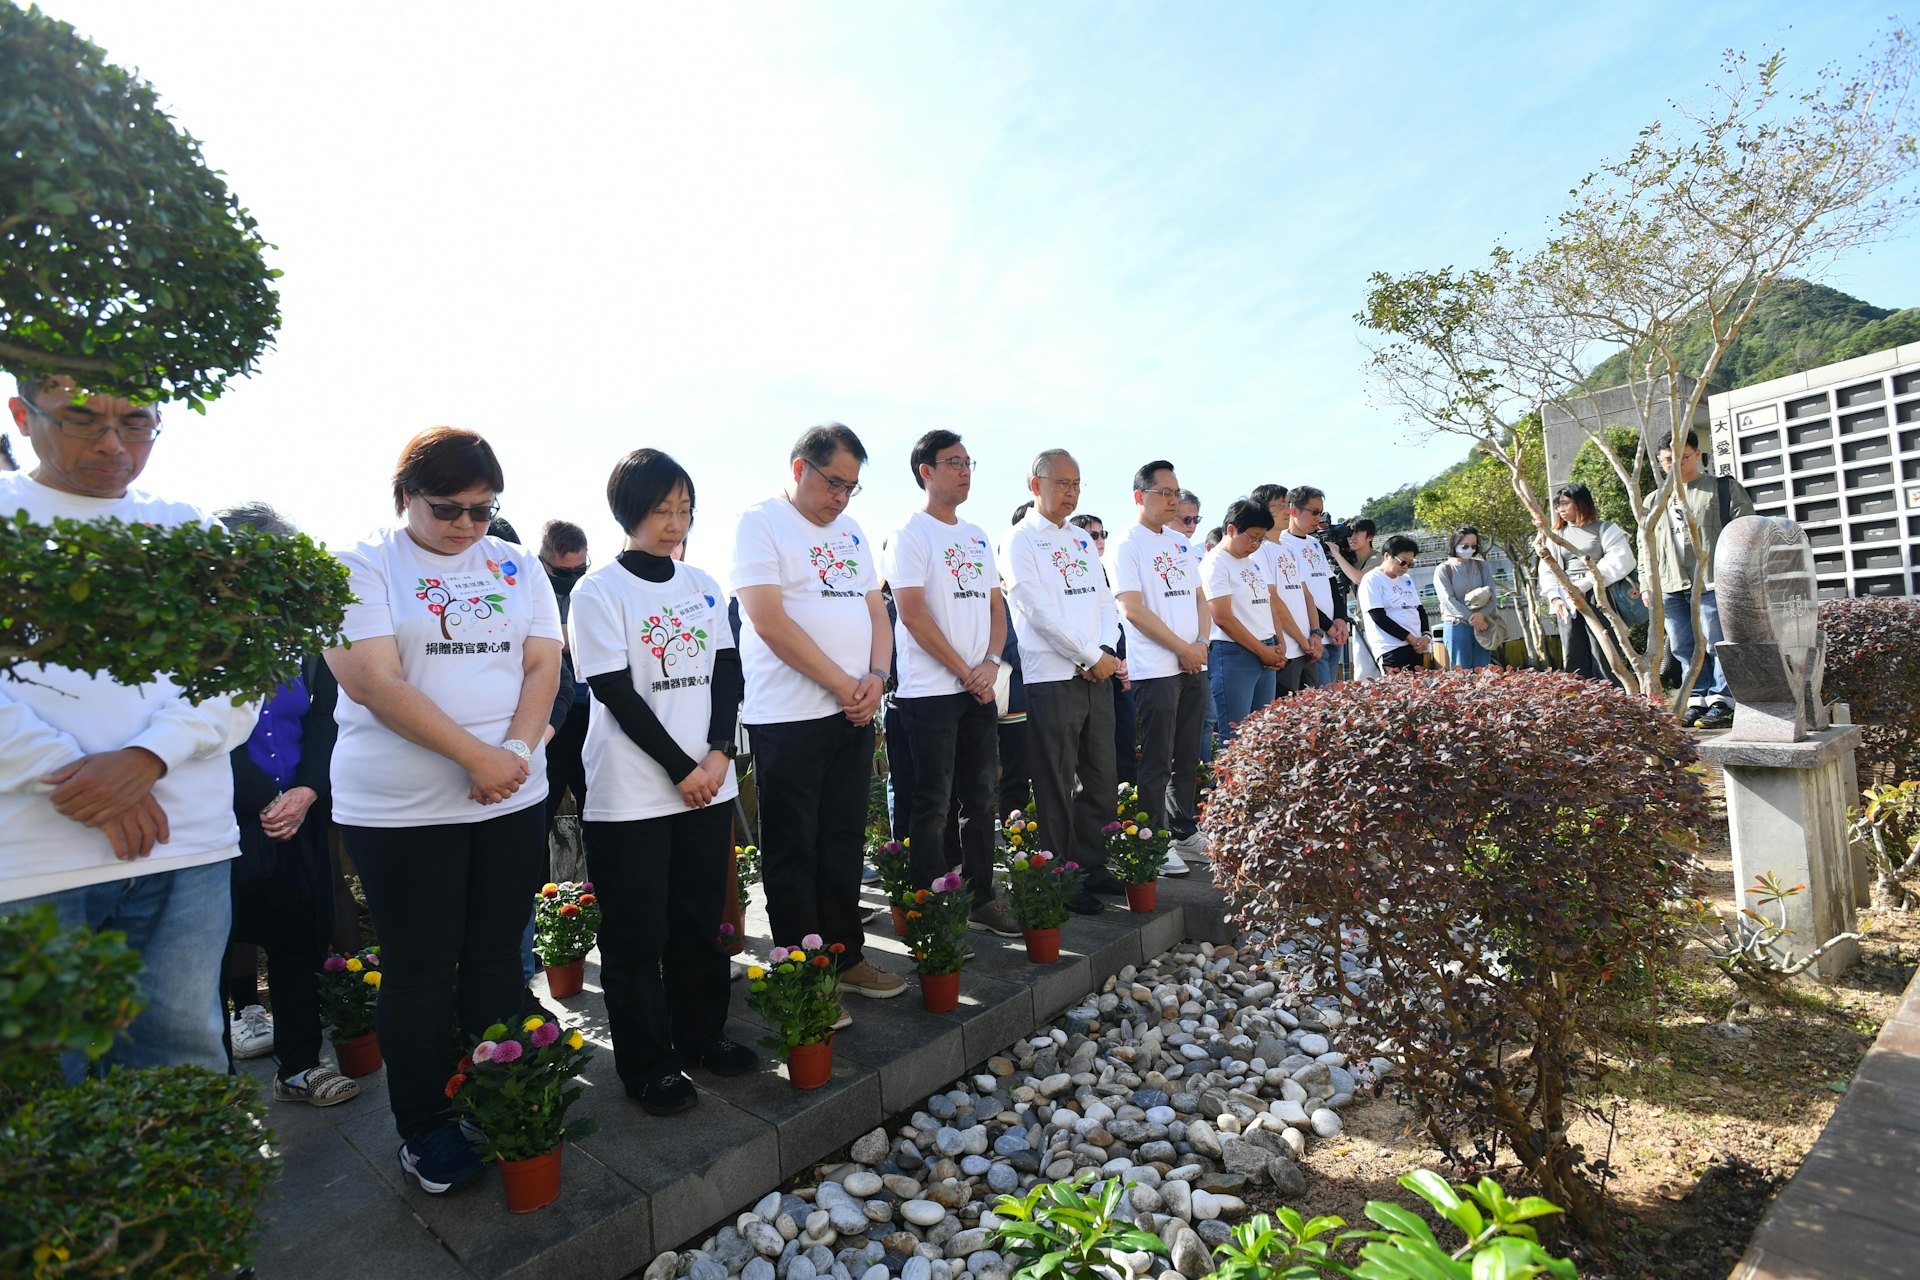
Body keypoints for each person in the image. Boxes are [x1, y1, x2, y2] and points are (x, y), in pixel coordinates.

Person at [325, 426, 564, 1195]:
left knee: (497, 957)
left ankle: (501, 1095)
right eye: (447, 510)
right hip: (403, 810)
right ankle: (424, 1126)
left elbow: (541, 664)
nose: (466, 526)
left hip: (509, 798)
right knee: (420, 972)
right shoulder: (362, 564)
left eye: (483, 510)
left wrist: (516, 758)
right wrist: (476, 757)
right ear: (405, 498)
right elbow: (373, 681)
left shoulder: (514, 563)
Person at [1, 374, 259, 1078]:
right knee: (45, 1093)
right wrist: (79, 774)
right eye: (82, 420)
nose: (113, 444)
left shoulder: (190, 531)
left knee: (185, 1067)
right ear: (24, 414)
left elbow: (242, 674)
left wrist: (147, 757)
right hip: (29, 861)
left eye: (136, 423)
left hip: (186, 849)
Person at [568, 448, 756, 1116]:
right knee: (635, 936)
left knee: (700, 922)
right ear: (630, 511)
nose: (674, 523)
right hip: (632, 792)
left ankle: (702, 1037)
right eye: (661, 509)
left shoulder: (703, 584)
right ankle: (648, 1065)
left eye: (684, 509)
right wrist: (682, 769)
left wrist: (716, 756)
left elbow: (727, 674)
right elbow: (614, 689)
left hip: (709, 782)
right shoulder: (599, 591)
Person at [731, 424, 906, 1002]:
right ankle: (804, 977)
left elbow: (877, 612)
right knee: (792, 850)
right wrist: (843, 685)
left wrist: (876, 679)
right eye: (834, 483)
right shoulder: (761, 522)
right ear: (800, 468)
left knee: (842, 840)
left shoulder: (852, 532)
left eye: (852, 488)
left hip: (853, 713)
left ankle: (846, 956)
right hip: (788, 717)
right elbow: (768, 620)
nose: (841, 498)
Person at [217, 502, 357, 1107]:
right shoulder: (203, 642)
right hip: (225, 817)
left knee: (301, 939)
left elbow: (327, 722)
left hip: (301, 811)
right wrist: (266, 799)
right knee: (216, 948)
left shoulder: (306, 642)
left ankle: (299, 1066)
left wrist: (302, 792)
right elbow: (205, 736)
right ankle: (213, 1094)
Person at [880, 431, 1020, 936]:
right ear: (926, 471)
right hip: (930, 693)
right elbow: (912, 615)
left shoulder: (977, 535)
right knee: (931, 804)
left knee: (981, 796)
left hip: (977, 687)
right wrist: (966, 672)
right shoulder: (910, 534)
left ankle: (983, 895)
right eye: (953, 462)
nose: (964, 471)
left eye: (968, 462)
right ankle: (930, 909)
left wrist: (989, 663)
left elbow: (994, 607)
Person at [1000, 449, 1127, 914]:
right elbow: (1035, 609)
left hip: (1097, 672)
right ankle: (1059, 873)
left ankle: (1091, 865)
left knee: (1100, 775)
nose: (1070, 492)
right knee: (1054, 780)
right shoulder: (1019, 540)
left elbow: (1104, 600)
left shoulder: (1080, 540)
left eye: (1077, 484)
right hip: (1052, 675)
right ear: (1036, 485)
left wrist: (1106, 652)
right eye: (1062, 483)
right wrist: (1087, 655)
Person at [1106, 461, 1208, 871]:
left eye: (1176, 492)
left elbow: (1200, 597)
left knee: (1187, 756)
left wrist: (1199, 643)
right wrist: (1181, 647)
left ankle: (1184, 829)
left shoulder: (1179, 542)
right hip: (1155, 669)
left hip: (1192, 663)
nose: (1173, 500)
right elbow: (1132, 609)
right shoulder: (1126, 544)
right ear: (1139, 496)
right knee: (1156, 759)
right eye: (1164, 492)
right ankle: (1153, 839)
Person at [1644, 429, 1754, 729]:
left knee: (1716, 642)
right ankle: (1696, 699)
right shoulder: (1654, 500)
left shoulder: (1721, 488)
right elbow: (1646, 546)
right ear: (1659, 461)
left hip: (1713, 580)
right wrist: (1646, 584)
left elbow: (1746, 532)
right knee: (1682, 646)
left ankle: (1723, 700)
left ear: (1697, 455)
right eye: (1668, 460)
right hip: (1672, 584)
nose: (1675, 464)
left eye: (1683, 457)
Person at [1201, 499, 1298, 741]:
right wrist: (1262, 651)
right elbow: (1222, 617)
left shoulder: (1251, 562)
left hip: (1266, 650)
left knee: (1261, 733)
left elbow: (1267, 603)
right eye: (1252, 537)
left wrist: (1279, 642)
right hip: (1234, 654)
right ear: (1231, 529)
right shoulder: (1215, 563)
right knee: (1235, 735)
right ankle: (1229, 781)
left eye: (1260, 539)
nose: (1255, 545)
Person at [1539, 483, 1636, 685]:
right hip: (1566, 598)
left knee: (1604, 649)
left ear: (1581, 502)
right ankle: (1579, 702)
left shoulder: (1605, 529)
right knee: (1573, 650)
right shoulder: (1556, 536)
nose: (1561, 510)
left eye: (1565, 503)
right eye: (1558, 505)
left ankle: (1612, 698)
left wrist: (1584, 585)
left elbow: (1620, 561)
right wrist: (1554, 597)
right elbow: (1547, 569)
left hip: (1599, 595)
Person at [1073, 513, 1138, 788]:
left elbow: (1117, 620)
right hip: (1086, 666)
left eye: (1102, 534)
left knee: (1124, 739)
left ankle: (1129, 811)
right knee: (1092, 751)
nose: (1099, 541)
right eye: (1092, 535)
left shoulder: (1109, 571)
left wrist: (1122, 661)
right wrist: (1099, 657)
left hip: (1116, 666)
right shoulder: (1074, 573)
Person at [539, 519, 593, 825]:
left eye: (579, 570)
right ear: (543, 561)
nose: (572, 578)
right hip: (548, 716)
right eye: (562, 572)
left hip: (591, 714)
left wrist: (553, 637)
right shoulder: (530, 587)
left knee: (596, 810)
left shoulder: (594, 588)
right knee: (540, 813)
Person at [1278, 487, 1345, 686]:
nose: (1318, 518)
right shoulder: (1282, 544)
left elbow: (1331, 581)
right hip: (1313, 638)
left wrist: (1340, 619)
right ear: (1294, 511)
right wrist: (1327, 626)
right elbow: (1298, 595)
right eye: (1314, 512)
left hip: (1334, 636)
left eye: (1320, 513)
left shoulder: (1315, 543)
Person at [1359, 536, 1434, 672]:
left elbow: (1419, 610)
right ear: (1387, 556)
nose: (1405, 568)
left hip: (1416, 646)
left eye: (1410, 564)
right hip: (1390, 647)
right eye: (1402, 562)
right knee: (1395, 689)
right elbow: (1378, 617)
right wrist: (1409, 638)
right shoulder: (1372, 579)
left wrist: (1426, 636)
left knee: (1417, 690)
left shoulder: (1406, 579)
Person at [1433, 525, 1498, 670]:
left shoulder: (1482, 566)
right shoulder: (1443, 569)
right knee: (1462, 672)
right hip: (1458, 624)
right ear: (1455, 544)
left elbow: (1493, 595)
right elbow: (1448, 600)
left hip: (1483, 624)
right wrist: (1473, 618)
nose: (1469, 549)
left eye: (1473, 546)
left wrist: (1481, 616)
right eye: (1465, 546)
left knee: (1484, 671)